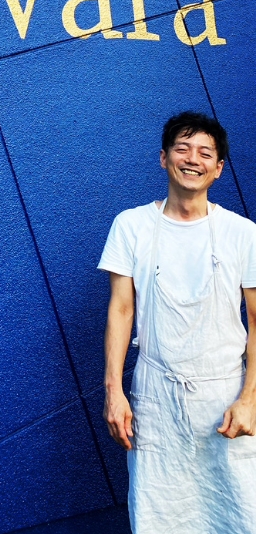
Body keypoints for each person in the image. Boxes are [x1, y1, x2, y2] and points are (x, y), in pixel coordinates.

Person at [99, 111, 256, 533]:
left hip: (224, 396)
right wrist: (114, 392)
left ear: (219, 168)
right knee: (159, 517)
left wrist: (250, 398)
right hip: (156, 398)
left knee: (239, 513)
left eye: (206, 152)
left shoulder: (243, 234)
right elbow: (121, 310)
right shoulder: (131, 226)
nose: (193, 159)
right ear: (164, 158)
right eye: (182, 148)